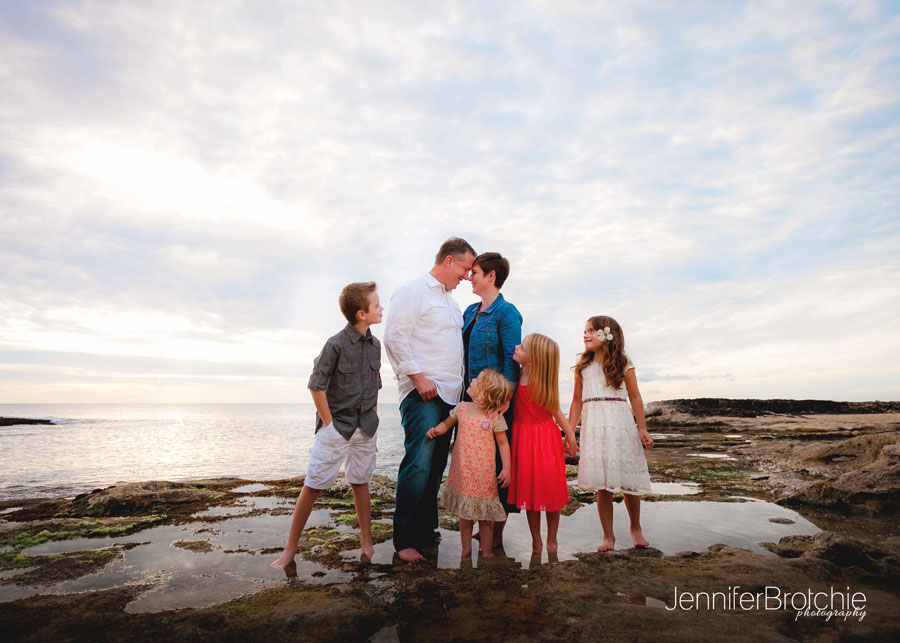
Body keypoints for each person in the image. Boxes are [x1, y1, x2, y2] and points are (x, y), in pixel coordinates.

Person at [270, 282, 383, 569]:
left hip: (366, 427)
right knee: (313, 484)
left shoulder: (376, 345)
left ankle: (366, 544)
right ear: (361, 313)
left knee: (361, 482)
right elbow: (316, 385)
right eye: (377, 305)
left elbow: (375, 385)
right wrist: (330, 424)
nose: (382, 309)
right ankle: (289, 550)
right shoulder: (334, 344)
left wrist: (374, 414)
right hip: (337, 428)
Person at [384, 237, 476, 562]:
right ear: (448, 261)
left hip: (450, 396)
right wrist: (417, 376)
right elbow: (394, 336)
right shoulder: (413, 291)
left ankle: (426, 531)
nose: (467, 276)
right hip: (423, 393)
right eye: (465, 268)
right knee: (418, 465)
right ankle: (405, 540)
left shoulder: (453, 304)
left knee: (436, 467)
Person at [567, 316, 654, 552]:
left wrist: (642, 428)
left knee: (628, 482)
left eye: (591, 331)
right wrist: (570, 432)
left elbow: (635, 396)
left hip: (619, 422)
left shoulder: (623, 362)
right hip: (594, 424)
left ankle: (635, 528)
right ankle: (608, 537)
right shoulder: (583, 367)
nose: (585, 335)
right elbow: (576, 402)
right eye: (585, 331)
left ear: (607, 334)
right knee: (603, 486)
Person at [461, 251, 522, 550]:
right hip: (471, 399)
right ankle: (481, 522)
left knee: (497, 465)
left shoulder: (507, 312)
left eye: (474, 272)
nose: (469, 277)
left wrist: (507, 396)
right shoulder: (469, 311)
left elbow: (513, 359)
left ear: (491, 276)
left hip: (498, 401)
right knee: (474, 465)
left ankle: (495, 535)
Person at [426, 369, 512, 559]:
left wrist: (507, 468)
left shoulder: (493, 417)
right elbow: (447, 423)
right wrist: (437, 431)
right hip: (463, 472)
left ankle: (486, 549)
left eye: (477, 380)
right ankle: (466, 549)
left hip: (483, 474)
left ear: (485, 391)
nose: (472, 380)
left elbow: (503, 443)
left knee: (486, 516)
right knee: (465, 516)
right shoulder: (462, 408)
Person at [507, 333, 577, 554]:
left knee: (550, 492)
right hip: (524, 440)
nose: (516, 346)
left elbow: (557, 413)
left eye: (523, 347)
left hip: (545, 440)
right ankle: (536, 540)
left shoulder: (541, 382)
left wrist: (571, 437)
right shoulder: (517, 374)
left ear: (534, 358)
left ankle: (552, 540)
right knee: (531, 494)